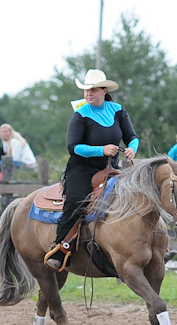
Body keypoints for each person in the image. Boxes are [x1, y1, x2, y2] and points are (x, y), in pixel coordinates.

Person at [45, 69, 139, 271]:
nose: (88, 94)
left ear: (104, 90)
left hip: (110, 169)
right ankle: (61, 248)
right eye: (86, 90)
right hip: (82, 169)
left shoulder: (118, 110)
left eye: (93, 90)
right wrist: (101, 150)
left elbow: (132, 136)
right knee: (76, 200)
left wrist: (132, 149)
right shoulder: (80, 114)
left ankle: (143, 245)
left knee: (137, 196)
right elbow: (73, 147)